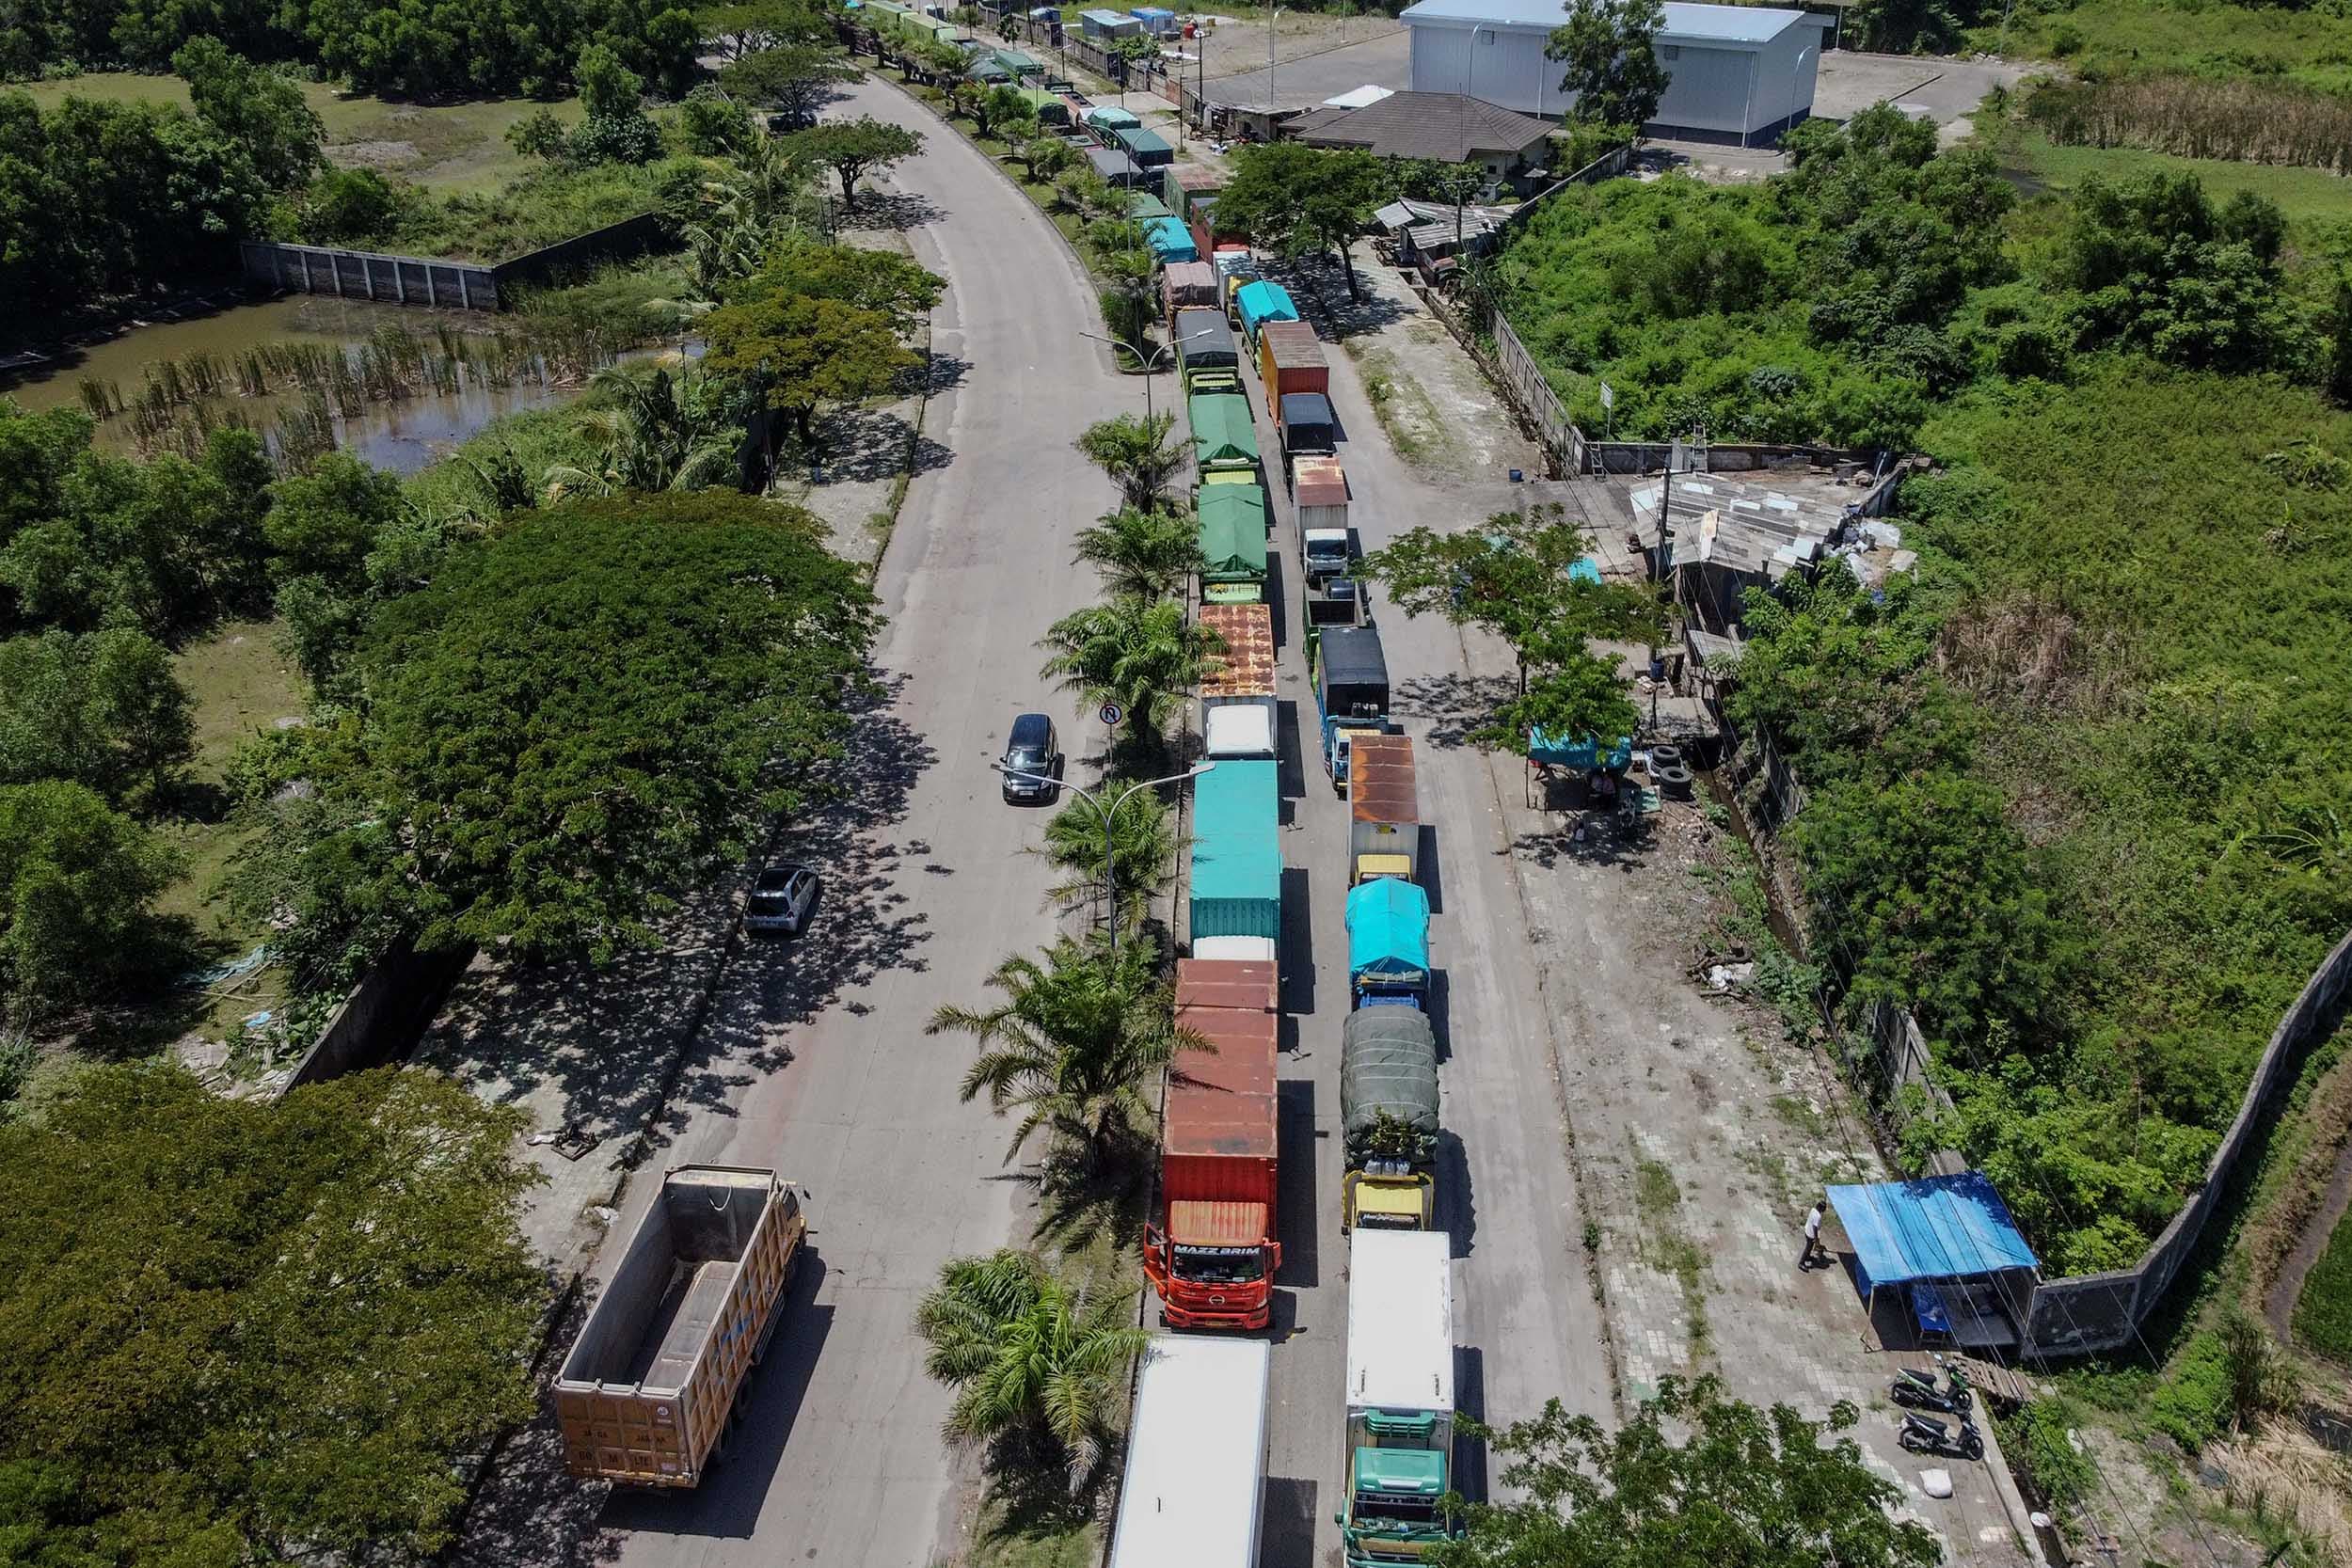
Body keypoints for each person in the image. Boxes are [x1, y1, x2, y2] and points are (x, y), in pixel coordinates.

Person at [1799, 1199, 1827, 1270]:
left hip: (1807, 1230)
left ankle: (1808, 1257)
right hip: (1811, 1235)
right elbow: (1815, 1227)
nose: (1824, 1210)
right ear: (1821, 1208)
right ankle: (1801, 1263)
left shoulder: (1813, 1209)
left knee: (1810, 1247)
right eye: (1824, 1209)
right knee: (1808, 1249)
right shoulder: (1818, 1216)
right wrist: (1816, 1238)